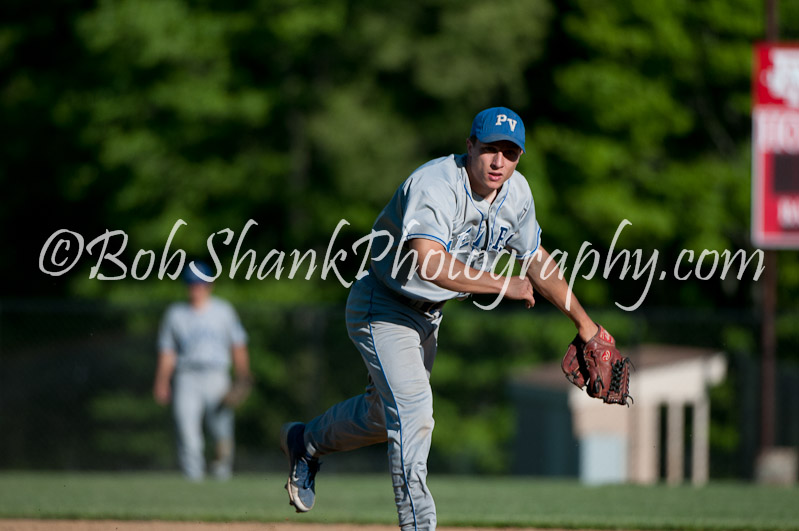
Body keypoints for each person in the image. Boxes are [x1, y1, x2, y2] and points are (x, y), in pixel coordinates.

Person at [280, 107, 605, 529]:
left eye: (510, 153)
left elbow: (536, 261)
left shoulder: (518, 194)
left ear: (519, 158)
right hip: (383, 304)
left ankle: (305, 442)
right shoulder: (435, 185)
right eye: (490, 149)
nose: (498, 161)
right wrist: (503, 284)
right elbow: (429, 264)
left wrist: (585, 323)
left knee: (384, 417)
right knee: (415, 413)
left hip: (427, 318)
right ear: (470, 146)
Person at [153, 261, 251, 481]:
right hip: (187, 376)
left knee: (221, 431)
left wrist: (243, 374)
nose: (196, 288)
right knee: (187, 431)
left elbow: (238, 344)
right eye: (191, 283)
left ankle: (221, 475)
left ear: (210, 285)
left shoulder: (223, 310)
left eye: (200, 283)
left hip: (217, 375)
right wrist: (161, 381)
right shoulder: (176, 314)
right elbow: (167, 352)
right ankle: (193, 479)